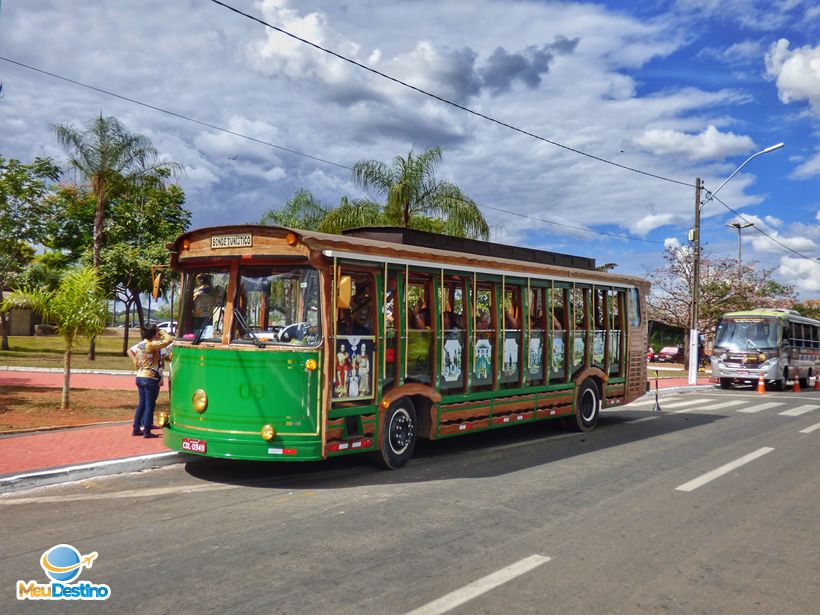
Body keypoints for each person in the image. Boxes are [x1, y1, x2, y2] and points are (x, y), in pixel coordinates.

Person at [128, 324, 174, 438]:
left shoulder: (140, 345)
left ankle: (136, 428)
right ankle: (147, 430)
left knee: (141, 404)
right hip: (150, 378)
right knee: (150, 405)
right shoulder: (152, 345)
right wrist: (162, 332)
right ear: (153, 335)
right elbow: (170, 340)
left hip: (140, 377)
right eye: (156, 334)